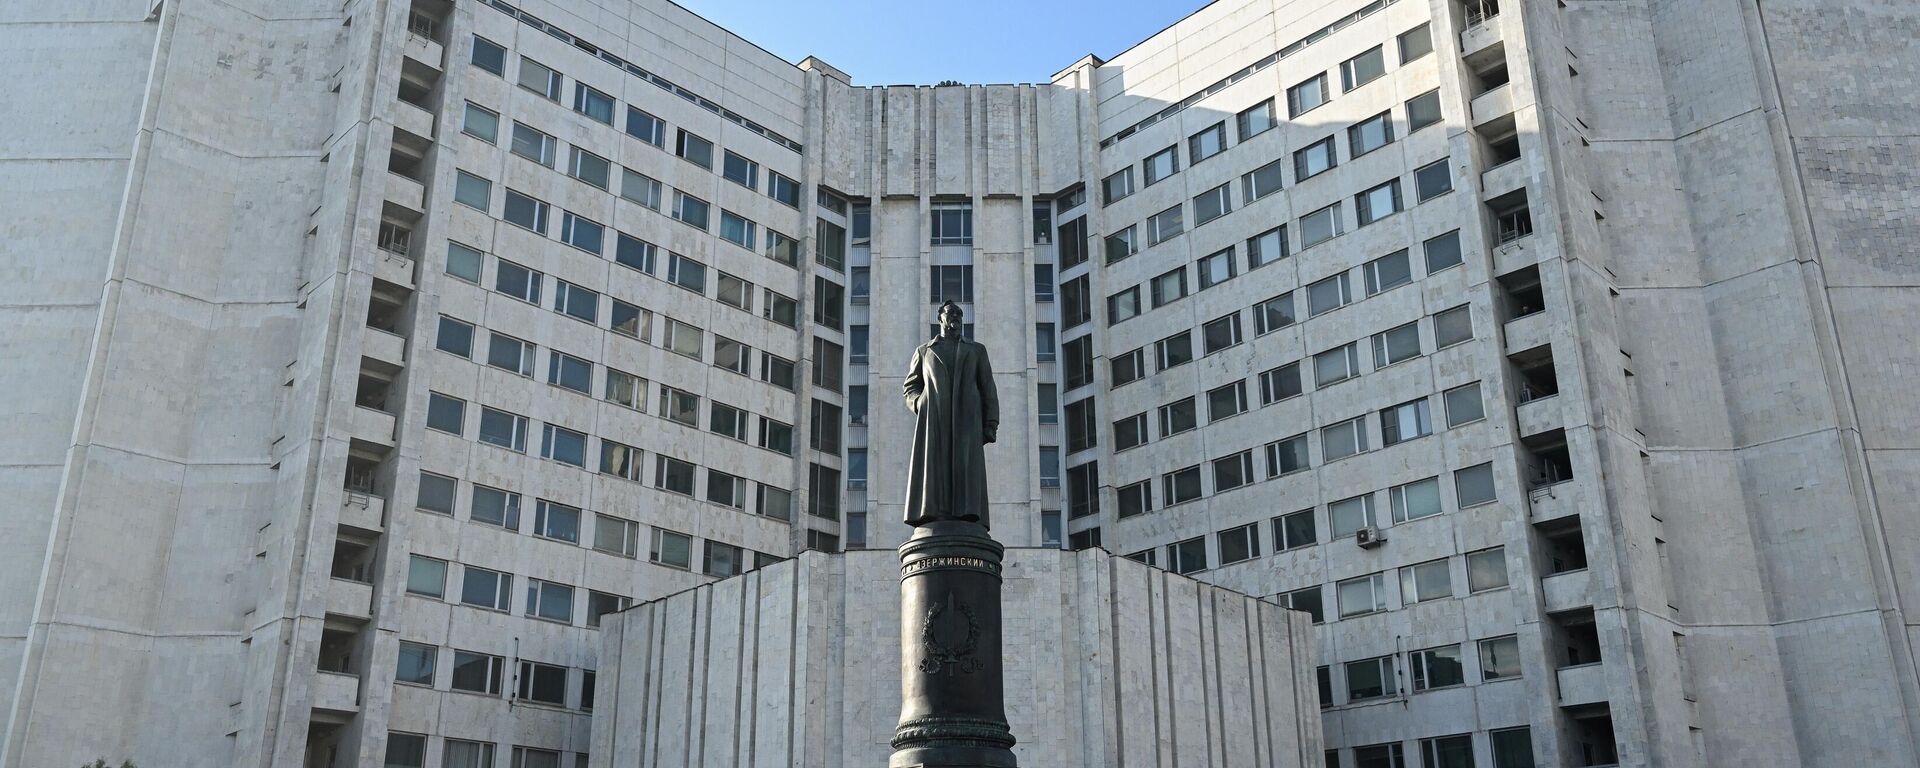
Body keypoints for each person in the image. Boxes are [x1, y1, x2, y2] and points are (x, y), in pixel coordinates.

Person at [901, 301, 1000, 528]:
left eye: (958, 314)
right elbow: (911, 386)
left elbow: (988, 388)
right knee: (935, 467)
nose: (954, 316)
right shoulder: (924, 351)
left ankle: (967, 514)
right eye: (950, 312)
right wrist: (920, 402)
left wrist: (990, 423)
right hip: (934, 418)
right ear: (940, 318)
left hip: (967, 420)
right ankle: (934, 512)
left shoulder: (976, 350)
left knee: (965, 467)